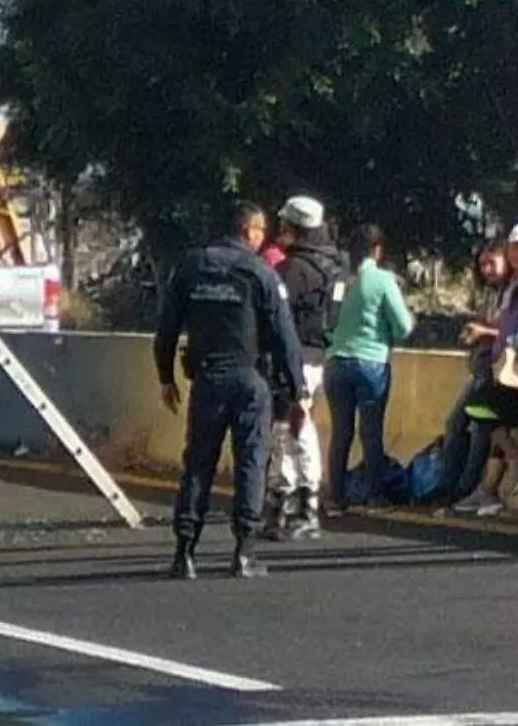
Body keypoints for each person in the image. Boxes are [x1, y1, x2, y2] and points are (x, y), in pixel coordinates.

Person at [155, 201, 306, 580]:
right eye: (261, 231)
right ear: (250, 231)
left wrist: (166, 377)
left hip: (207, 380)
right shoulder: (260, 272)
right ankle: (243, 554)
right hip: (249, 381)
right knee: (251, 464)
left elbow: (167, 329)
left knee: (197, 465)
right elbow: (285, 338)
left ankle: (184, 553)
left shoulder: (192, 266)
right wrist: (297, 389)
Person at [451, 222, 518, 517]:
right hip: (508, 364)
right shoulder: (517, 284)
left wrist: (506, 340)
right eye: (514, 247)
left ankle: (517, 457)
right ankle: (488, 491)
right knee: (497, 420)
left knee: (480, 410)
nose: (517, 254)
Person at [262, 195, 346, 540]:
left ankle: (295, 504)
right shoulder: (339, 268)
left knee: (291, 429)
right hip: (318, 357)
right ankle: (295, 504)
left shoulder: (292, 270)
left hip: (292, 357)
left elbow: (275, 318)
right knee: (294, 426)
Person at [324, 222, 415, 514]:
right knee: (370, 431)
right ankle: (376, 494)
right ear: (377, 250)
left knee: (341, 432)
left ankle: (335, 495)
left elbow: (328, 319)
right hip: (371, 362)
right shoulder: (383, 280)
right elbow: (402, 326)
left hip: (336, 361)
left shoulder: (340, 280)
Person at [434, 243, 507, 509]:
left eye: (492, 263)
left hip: (497, 372)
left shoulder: (512, 293)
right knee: (455, 424)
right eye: (483, 265)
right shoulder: (490, 293)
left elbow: (517, 332)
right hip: (480, 368)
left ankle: (466, 487)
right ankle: (448, 484)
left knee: (479, 429)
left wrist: (484, 332)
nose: (487, 270)